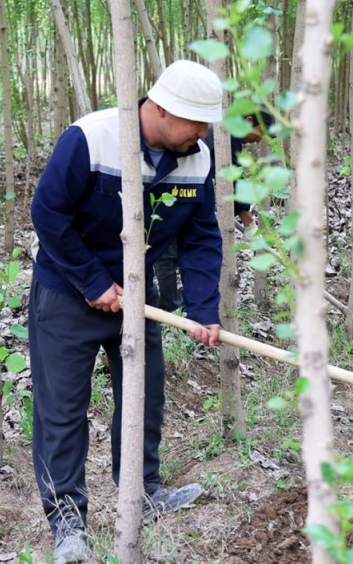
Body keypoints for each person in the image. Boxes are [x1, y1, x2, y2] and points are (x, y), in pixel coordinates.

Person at [29, 59, 225, 563]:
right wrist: (93, 281)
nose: (202, 135)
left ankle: (142, 493)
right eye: (195, 122)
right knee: (62, 409)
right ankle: (68, 522)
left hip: (140, 298)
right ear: (159, 110)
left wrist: (204, 309)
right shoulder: (91, 138)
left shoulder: (198, 158)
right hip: (67, 290)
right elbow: (48, 213)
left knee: (143, 396)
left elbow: (201, 238)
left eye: (207, 125)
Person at [154, 110, 273, 313]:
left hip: (183, 192)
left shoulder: (222, 132)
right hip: (171, 191)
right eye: (259, 133)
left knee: (180, 250)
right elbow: (231, 180)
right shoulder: (226, 135)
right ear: (248, 119)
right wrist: (247, 219)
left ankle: (179, 302)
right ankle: (171, 307)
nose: (256, 140)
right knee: (168, 254)